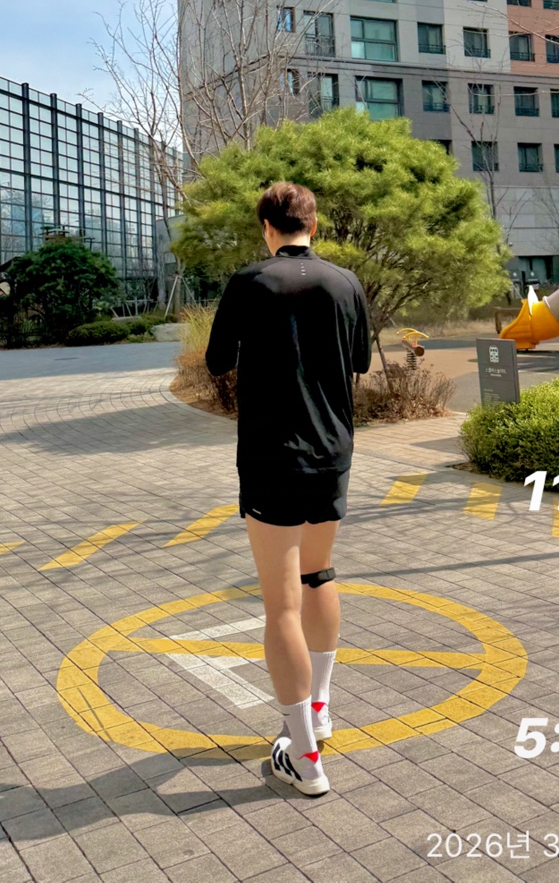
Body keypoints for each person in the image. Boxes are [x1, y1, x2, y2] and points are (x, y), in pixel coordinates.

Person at [206, 181, 372, 796]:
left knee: (281, 606)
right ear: (314, 225)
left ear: (267, 229)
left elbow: (218, 361)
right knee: (319, 574)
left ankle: (303, 756)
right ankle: (320, 711)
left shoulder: (249, 282)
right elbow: (359, 363)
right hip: (333, 451)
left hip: (272, 456)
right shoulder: (346, 283)